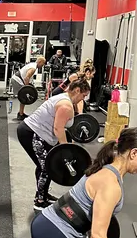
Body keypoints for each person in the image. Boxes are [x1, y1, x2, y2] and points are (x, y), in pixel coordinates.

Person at [16, 77, 91, 210]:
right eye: (83, 96)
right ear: (77, 90)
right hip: (32, 133)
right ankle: (39, 201)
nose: (83, 99)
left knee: (47, 165)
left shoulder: (64, 98)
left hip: (39, 134)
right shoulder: (65, 105)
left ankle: (43, 194)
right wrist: (65, 150)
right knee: (46, 167)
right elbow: (58, 129)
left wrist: (68, 144)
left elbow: (63, 128)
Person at [12, 56, 46, 121]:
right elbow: (26, 78)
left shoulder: (32, 65)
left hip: (16, 79)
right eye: (43, 63)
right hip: (17, 80)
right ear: (40, 62)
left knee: (23, 97)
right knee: (24, 96)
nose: (43, 65)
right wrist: (27, 88)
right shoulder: (33, 68)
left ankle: (21, 113)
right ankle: (20, 114)